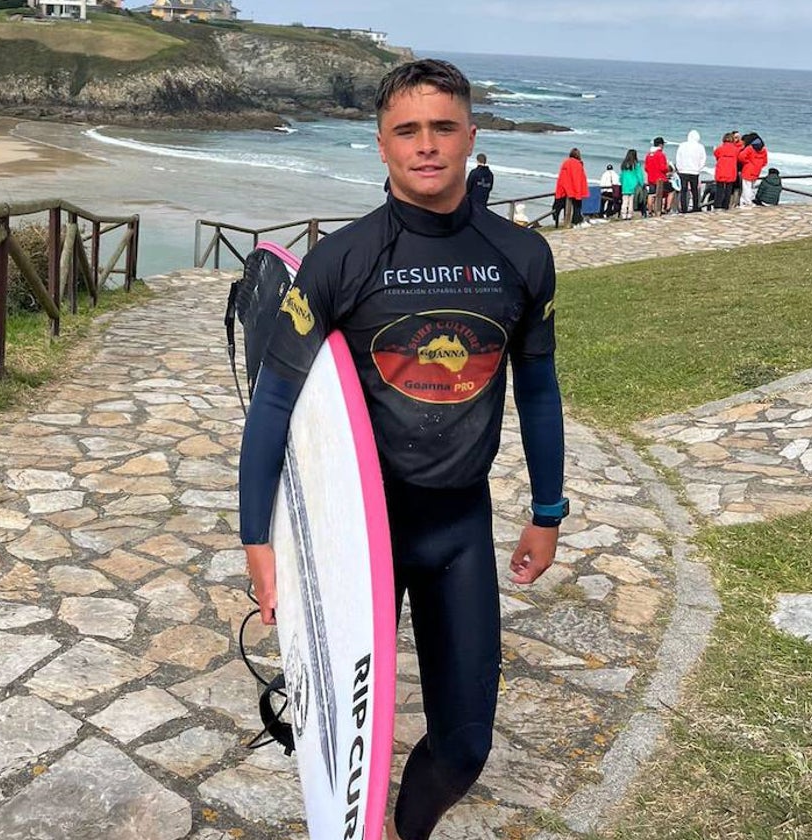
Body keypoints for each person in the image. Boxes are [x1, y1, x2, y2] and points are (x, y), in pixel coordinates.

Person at [238, 58, 566, 840]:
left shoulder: (521, 259)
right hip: (358, 532)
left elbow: (540, 391)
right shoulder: (341, 260)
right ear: (380, 145)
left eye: (443, 127)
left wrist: (547, 511)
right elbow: (276, 402)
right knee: (346, 738)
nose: (427, 146)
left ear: (470, 137)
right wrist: (259, 536)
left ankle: (404, 830)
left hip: (458, 527)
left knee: (465, 746)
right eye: (407, 130)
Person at [553, 147, 589, 227]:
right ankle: (575, 222)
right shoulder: (578, 164)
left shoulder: (565, 163)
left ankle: (559, 222)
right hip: (576, 189)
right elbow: (579, 179)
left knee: (559, 208)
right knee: (577, 207)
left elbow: (562, 177)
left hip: (565, 189)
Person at [674, 129, 706, 213]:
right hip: (694, 171)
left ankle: (684, 208)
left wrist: (679, 168)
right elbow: (703, 159)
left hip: (683, 171)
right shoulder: (700, 146)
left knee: (683, 190)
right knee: (694, 190)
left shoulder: (682, 145)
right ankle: (695, 207)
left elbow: (678, 157)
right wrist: (699, 168)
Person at [737, 133, 768, 207]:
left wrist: (747, 162)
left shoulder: (750, 148)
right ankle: (749, 200)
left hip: (748, 169)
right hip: (757, 170)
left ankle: (746, 202)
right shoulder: (763, 149)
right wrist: (759, 165)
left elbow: (741, 157)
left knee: (746, 187)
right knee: (752, 187)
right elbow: (765, 162)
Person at [713, 132, 740, 210]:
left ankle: (717, 205)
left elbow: (716, 154)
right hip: (731, 171)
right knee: (728, 190)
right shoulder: (736, 149)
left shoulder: (720, 148)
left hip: (721, 170)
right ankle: (725, 206)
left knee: (719, 190)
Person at [644, 137, 669, 216]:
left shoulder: (649, 155)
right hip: (660, 178)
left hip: (651, 178)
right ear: (661, 145)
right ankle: (665, 209)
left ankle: (650, 210)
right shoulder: (661, 154)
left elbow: (646, 168)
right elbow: (663, 168)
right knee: (669, 191)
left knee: (651, 194)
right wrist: (668, 168)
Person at [619, 148, 645, 220]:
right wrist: (642, 183)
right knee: (631, 201)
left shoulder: (624, 165)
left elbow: (621, 176)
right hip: (634, 185)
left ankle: (624, 214)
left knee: (625, 200)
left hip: (625, 186)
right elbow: (639, 175)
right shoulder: (636, 165)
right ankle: (629, 214)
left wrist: (621, 182)